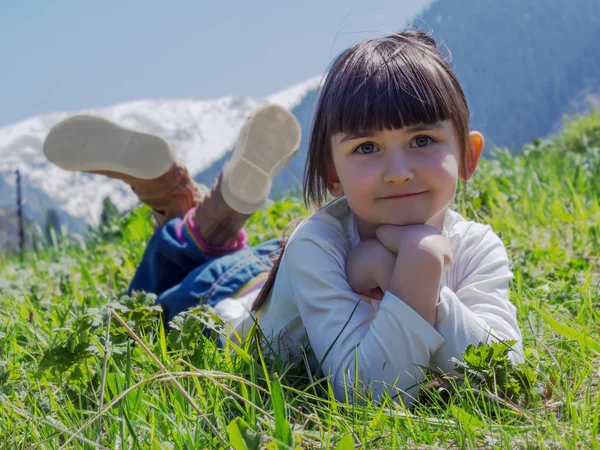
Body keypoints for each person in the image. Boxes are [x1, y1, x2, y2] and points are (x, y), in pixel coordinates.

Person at [44, 30, 523, 406]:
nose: (398, 173)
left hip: (271, 269)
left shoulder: (478, 246)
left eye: (422, 140)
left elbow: (504, 369)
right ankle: (188, 213)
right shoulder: (318, 243)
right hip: (222, 307)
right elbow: (369, 394)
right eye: (367, 148)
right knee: (143, 307)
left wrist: (419, 279)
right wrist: (415, 269)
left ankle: (193, 210)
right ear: (331, 176)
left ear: (468, 155)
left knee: (207, 251)